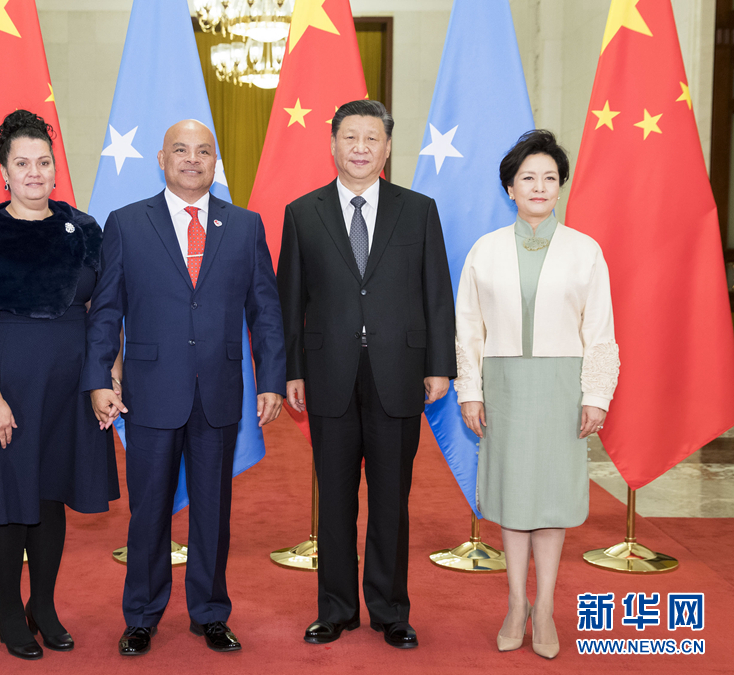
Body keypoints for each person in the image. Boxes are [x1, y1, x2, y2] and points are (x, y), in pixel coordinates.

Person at [82, 119, 286, 656]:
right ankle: (142, 615)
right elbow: (106, 310)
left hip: (218, 392)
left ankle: (210, 613)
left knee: (213, 512)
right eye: (181, 150)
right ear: (161, 158)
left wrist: (271, 378)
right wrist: (99, 377)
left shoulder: (245, 226)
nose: (192, 159)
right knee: (148, 510)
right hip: (150, 393)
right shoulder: (127, 223)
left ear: (215, 162)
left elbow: (265, 310)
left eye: (203, 151)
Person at [276, 100, 456, 649]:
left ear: (387, 147)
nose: (360, 148)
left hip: (398, 373)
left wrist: (440, 366)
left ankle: (390, 610)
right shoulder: (302, 212)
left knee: (390, 501)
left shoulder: (418, 210)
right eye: (350, 137)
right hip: (327, 373)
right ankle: (335, 609)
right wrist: (291, 370)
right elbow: (289, 301)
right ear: (333, 144)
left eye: (371, 138)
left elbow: (437, 293)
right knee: (334, 500)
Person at [0, 110, 120, 660]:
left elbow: (104, 310)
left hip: (68, 391)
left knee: (50, 495)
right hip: (6, 387)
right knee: (7, 498)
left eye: (43, 162)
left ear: (55, 169)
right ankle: (7, 609)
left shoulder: (84, 228)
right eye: (22, 163)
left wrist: (107, 374)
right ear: (4, 171)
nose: (34, 173)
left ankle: (42, 605)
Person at [455, 129, 619, 659]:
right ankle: (514, 603)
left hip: (561, 387)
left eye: (550, 177)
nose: (540, 187)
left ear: (561, 185)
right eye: (528, 177)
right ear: (510, 188)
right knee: (514, 496)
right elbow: (468, 327)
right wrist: (470, 390)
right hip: (503, 386)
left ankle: (544, 607)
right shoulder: (485, 250)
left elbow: (600, 331)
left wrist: (596, 394)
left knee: (550, 499)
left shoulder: (585, 250)